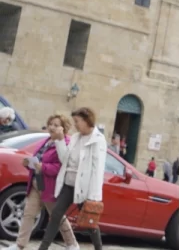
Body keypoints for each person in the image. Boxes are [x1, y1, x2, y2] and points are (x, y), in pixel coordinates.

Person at [38, 107, 107, 250]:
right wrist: (60, 140)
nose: (75, 124)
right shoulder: (76, 138)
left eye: (77, 121)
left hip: (84, 188)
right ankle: (43, 247)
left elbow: (97, 170)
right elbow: (64, 159)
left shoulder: (98, 140)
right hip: (69, 184)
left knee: (90, 222)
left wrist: (93, 196)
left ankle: (99, 248)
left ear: (87, 120)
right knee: (56, 214)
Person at [8, 113, 78, 250]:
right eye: (50, 124)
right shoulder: (46, 141)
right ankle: (19, 245)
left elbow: (61, 167)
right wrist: (29, 164)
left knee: (57, 216)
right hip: (36, 182)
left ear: (64, 128)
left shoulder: (66, 144)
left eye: (56, 125)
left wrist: (43, 167)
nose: (52, 127)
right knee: (28, 214)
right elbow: (39, 160)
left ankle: (72, 244)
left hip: (50, 186)